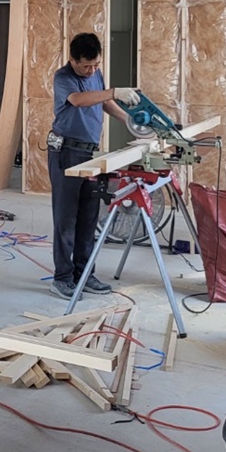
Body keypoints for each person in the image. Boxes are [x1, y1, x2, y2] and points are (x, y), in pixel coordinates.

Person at [48, 32, 140, 300]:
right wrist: (114, 91)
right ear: (73, 60)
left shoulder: (95, 73)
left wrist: (129, 121)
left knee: (88, 217)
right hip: (66, 151)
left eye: (96, 65)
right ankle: (62, 278)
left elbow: (104, 102)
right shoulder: (63, 77)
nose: (92, 70)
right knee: (66, 218)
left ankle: (85, 273)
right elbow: (79, 100)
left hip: (90, 152)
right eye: (87, 66)